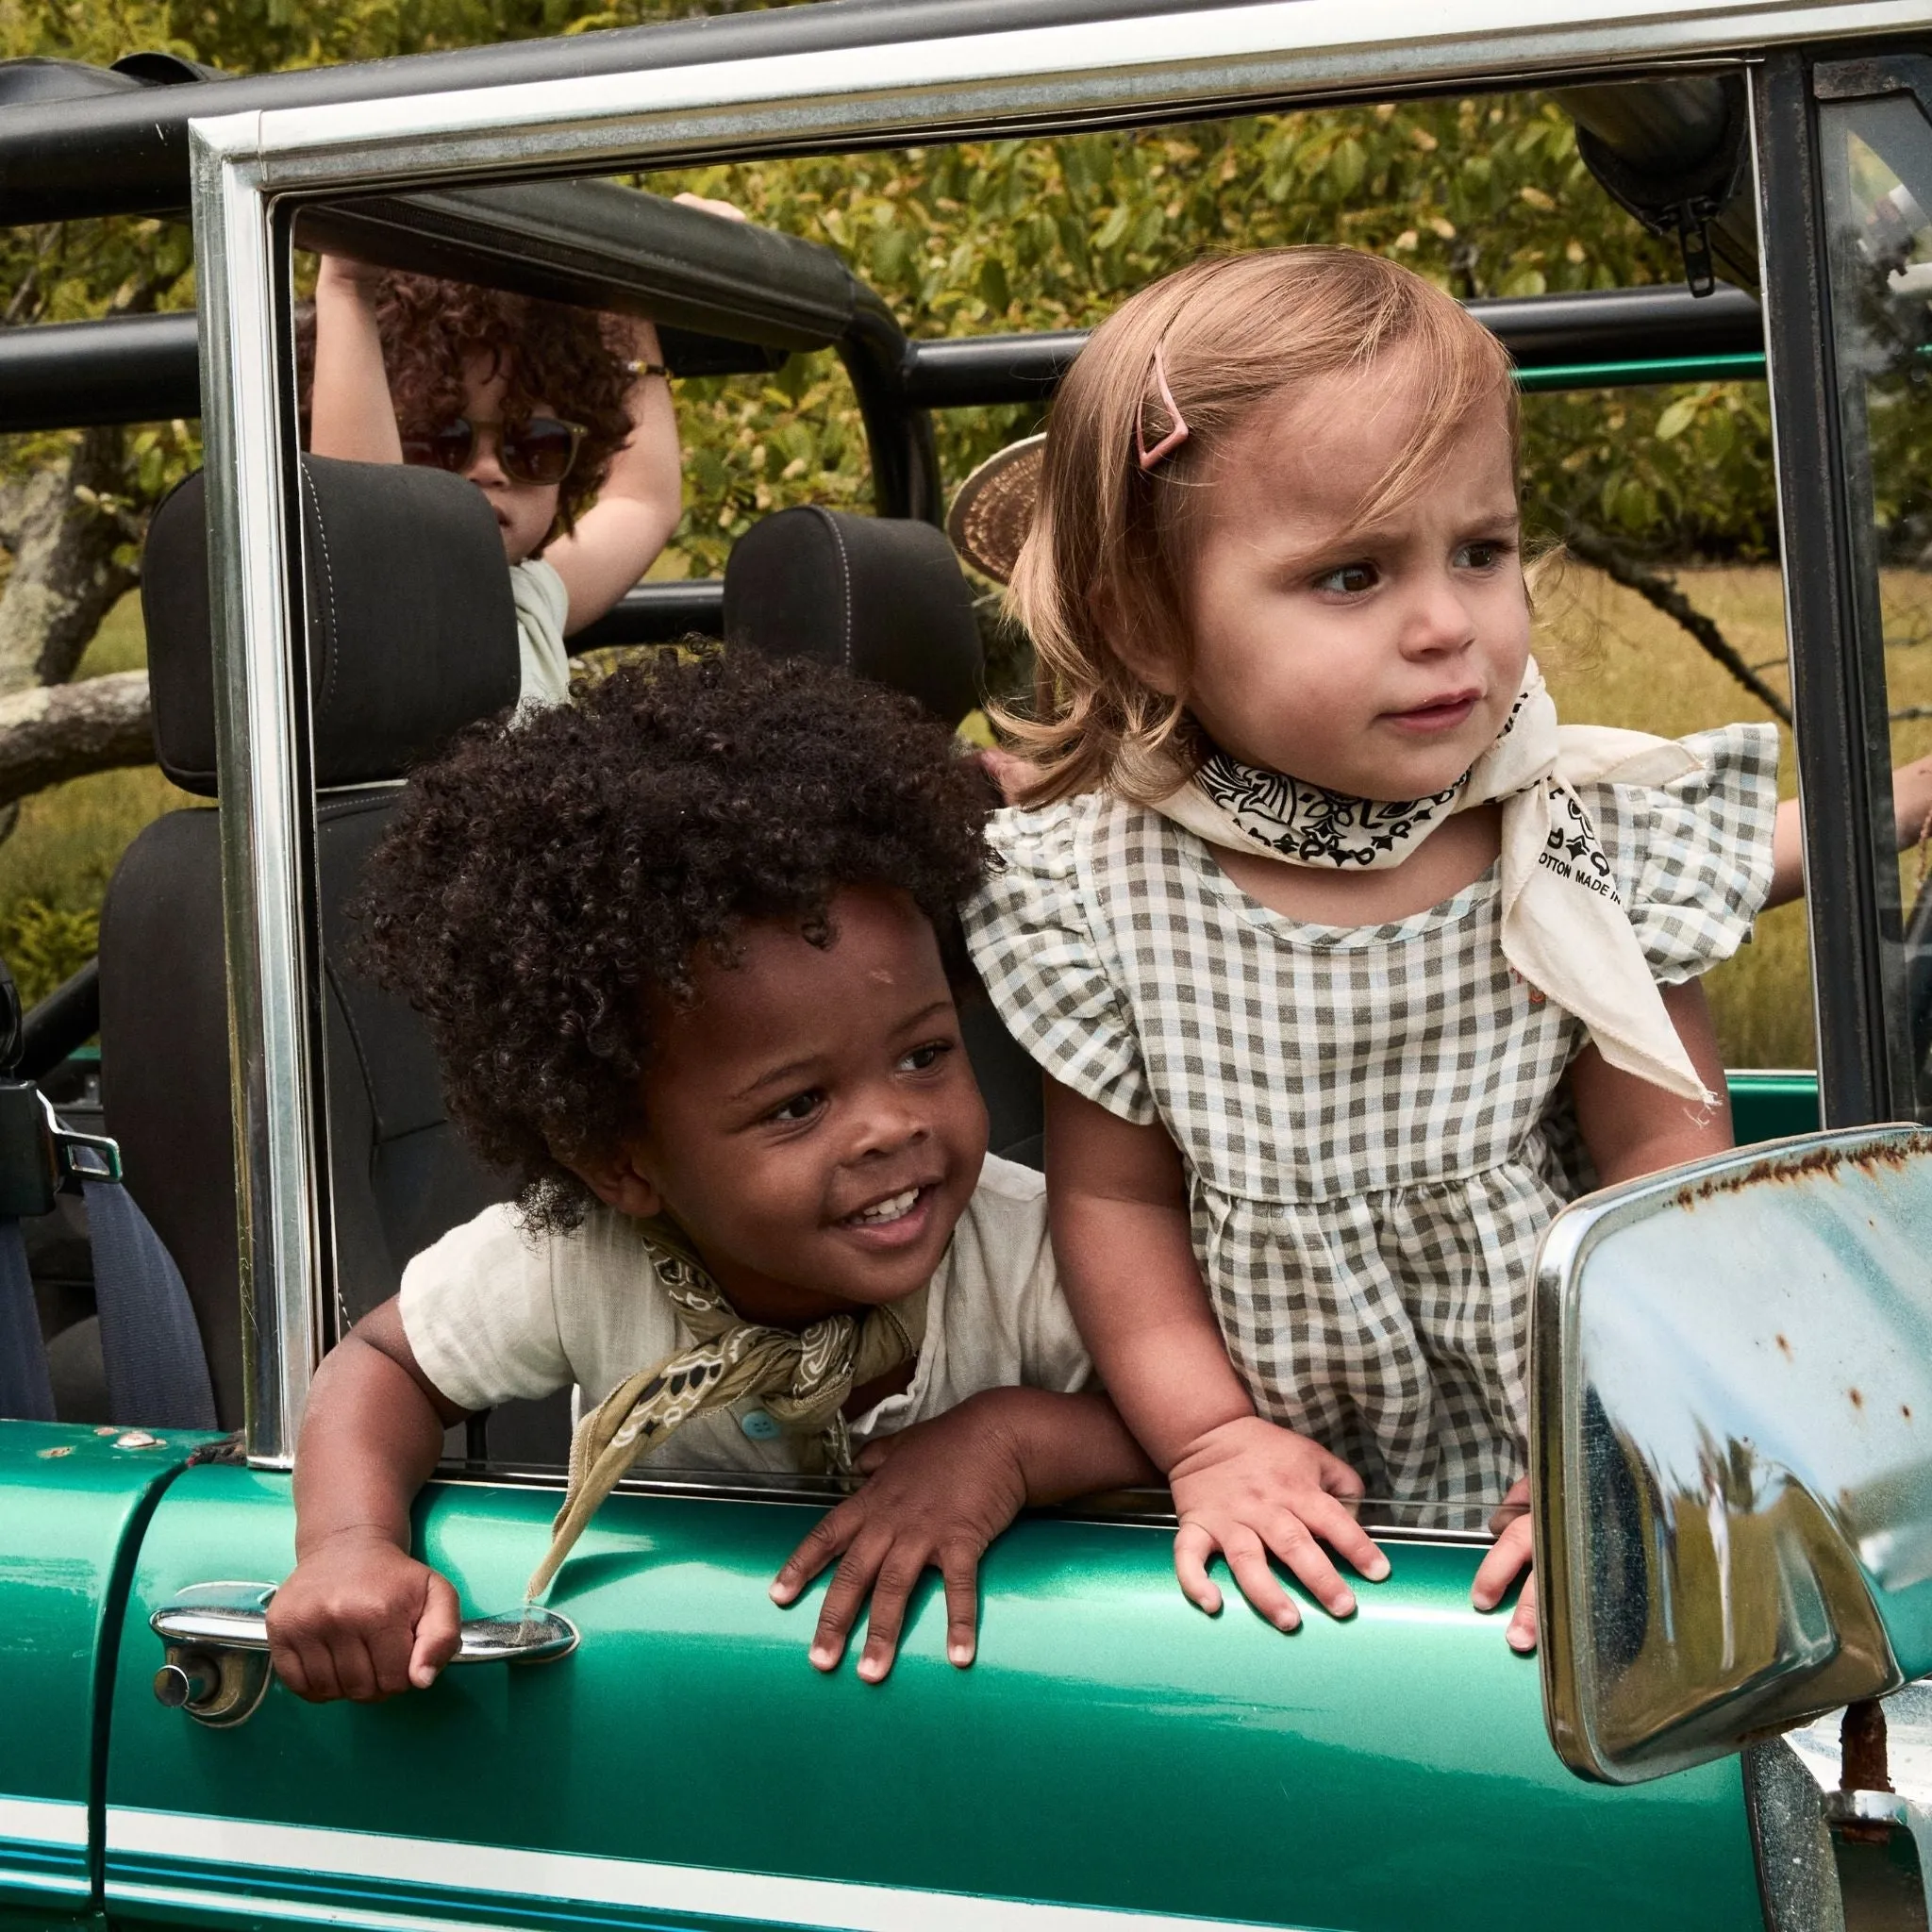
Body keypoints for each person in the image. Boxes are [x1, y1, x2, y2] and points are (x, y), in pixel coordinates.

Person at [963, 246, 1781, 1655]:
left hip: (1564, 1430)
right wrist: (1211, 1440)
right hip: (1277, 1495)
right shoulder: (1101, 888)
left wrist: (1631, 1424)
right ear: (1147, 627)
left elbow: (1666, 1163)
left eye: (1483, 549)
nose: (1448, 622)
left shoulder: (1572, 832)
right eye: (1353, 574)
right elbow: (1123, 1209)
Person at [265, 650, 1152, 1704]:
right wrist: (347, 1539)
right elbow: (384, 1364)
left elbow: (1185, 1420)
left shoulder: (1042, 1254)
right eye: (795, 1105)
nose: (889, 1126)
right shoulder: (580, 1259)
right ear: (621, 1160)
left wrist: (1007, 1443)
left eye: (923, 1054)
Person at [308, 256, 684, 708]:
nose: (488, 469)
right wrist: (347, 287)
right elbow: (365, 533)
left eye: (533, 446)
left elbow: (643, 501)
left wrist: (630, 292)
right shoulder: (364, 614)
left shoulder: (526, 602)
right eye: (441, 441)